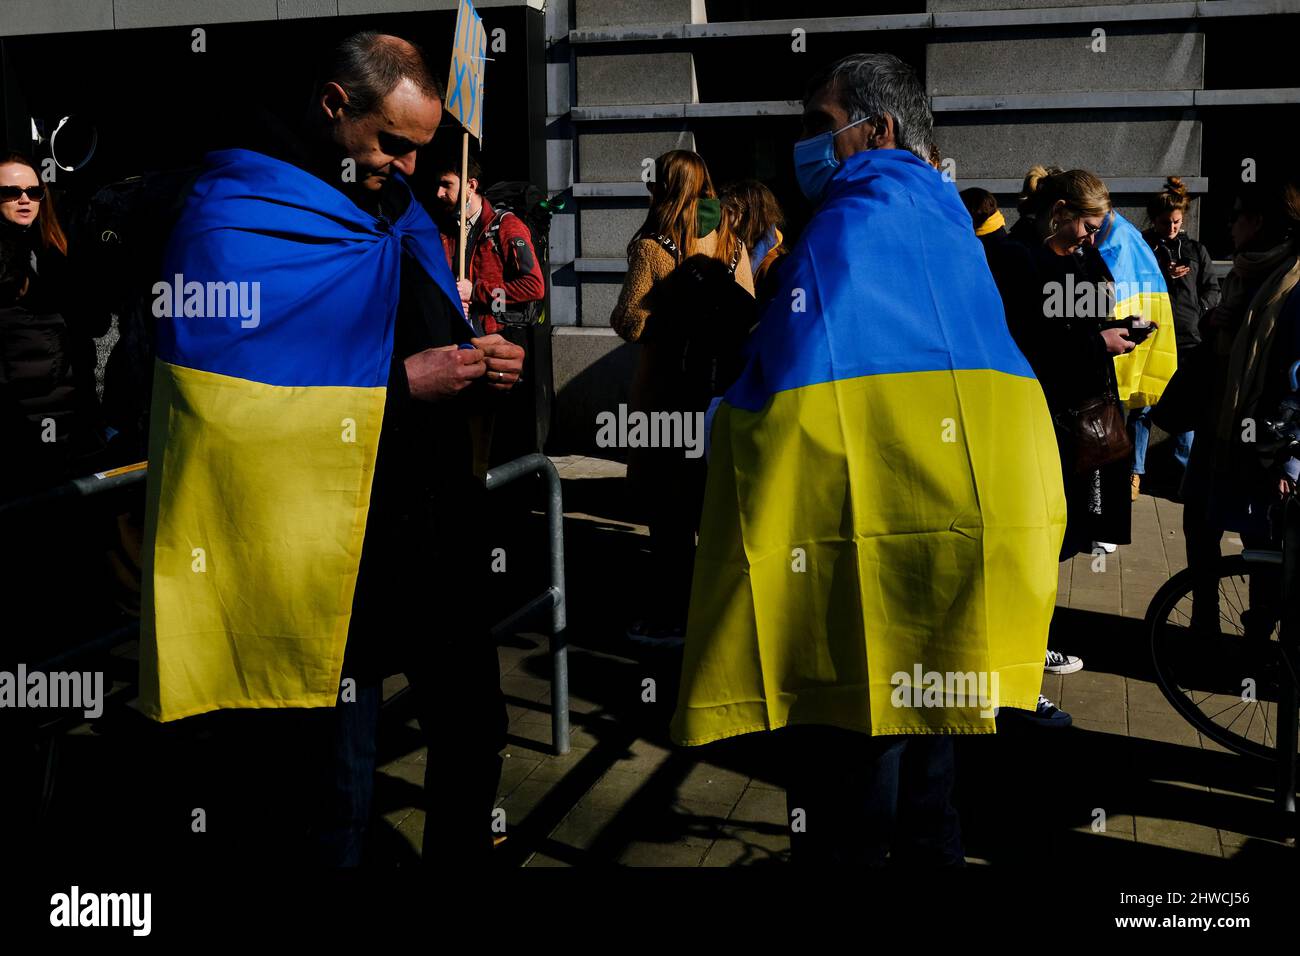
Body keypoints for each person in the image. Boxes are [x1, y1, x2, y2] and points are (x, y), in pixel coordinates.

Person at [669, 53, 1068, 865]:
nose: (808, 145)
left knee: (854, 777)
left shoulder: (850, 222)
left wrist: (719, 418)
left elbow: (792, 385)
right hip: (966, 534)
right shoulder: (949, 221)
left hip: (874, 546)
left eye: (822, 123)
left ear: (875, 128)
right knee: (933, 771)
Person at [138, 31, 524, 866]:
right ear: (333, 105)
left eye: (424, 149)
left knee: (477, 730)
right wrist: (401, 382)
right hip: (320, 560)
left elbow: (428, 326)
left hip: (431, 530)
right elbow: (224, 414)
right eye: (394, 143)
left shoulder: (398, 204)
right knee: (332, 789)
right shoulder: (235, 213)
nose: (412, 167)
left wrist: (482, 361)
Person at [610, 149, 755, 647]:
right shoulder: (730, 239)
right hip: (717, 393)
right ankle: (718, 620)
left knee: (667, 518)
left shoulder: (652, 244)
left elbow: (629, 320)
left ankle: (672, 619)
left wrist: (666, 320)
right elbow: (748, 309)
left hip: (664, 395)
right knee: (708, 508)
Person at [1182, 179, 1300, 627]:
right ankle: (1204, 618)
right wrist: (1214, 322)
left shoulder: (1290, 283)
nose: (1228, 224)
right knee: (1200, 524)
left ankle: (1258, 635)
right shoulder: (1242, 274)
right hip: (1218, 428)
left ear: (1260, 221)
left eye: (1236, 215)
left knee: (1261, 539)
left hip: (1262, 441)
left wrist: (1288, 458)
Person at [1131, 177, 1219, 498]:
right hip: (1152, 338)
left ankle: (1184, 473)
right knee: (1142, 407)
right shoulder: (1142, 248)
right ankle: (1135, 472)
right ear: (1154, 220)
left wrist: (1202, 309)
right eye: (1166, 222)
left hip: (1188, 340)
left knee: (1186, 408)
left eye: (1177, 222)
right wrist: (1162, 277)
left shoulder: (1196, 250)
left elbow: (1212, 288)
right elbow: (1132, 287)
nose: (1172, 227)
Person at [431, 152, 545, 334]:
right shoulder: (447, 231)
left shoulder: (507, 226)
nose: (439, 193)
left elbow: (533, 287)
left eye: (447, 185)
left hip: (500, 340)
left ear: (471, 185)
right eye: (438, 185)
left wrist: (476, 293)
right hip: (461, 338)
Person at [720, 179, 786, 299]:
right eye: (720, 211)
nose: (721, 219)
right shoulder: (733, 250)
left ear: (750, 219)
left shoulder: (771, 267)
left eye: (729, 212)